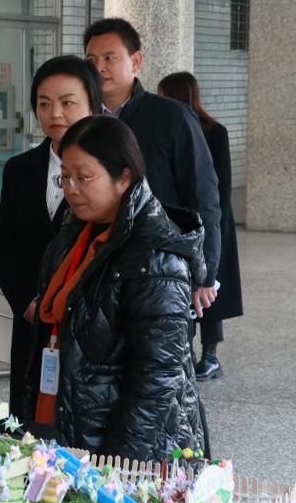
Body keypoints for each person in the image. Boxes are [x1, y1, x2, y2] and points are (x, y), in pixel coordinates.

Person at [27, 116, 206, 460]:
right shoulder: (76, 230)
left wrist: (114, 466)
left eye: (84, 177)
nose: (71, 189)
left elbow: (156, 380)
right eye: (64, 176)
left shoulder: (154, 255)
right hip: (70, 419)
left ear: (123, 177)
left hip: (122, 448)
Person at [84, 18, 221, 320]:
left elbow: (203, 196)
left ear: (135, 61)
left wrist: (205, 273)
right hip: (96, 265)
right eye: (91, 60)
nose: (99, 67)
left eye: (109, 58)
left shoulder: (172, 117)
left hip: (160, 268)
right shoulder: (84, 120)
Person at [0, 56, 102, 421]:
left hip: (89, 329)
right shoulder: (20, 169)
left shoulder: (112, 173)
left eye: (68, 102)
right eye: (44, 103)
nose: (55, 113)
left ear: (92, 105)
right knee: (27, 421)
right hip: (32, 322)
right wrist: (28, 302)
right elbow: (3, 247)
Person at [158, 71, 243, 380]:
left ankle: (210, 355)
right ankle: (187, 353)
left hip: (213, 221)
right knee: (184, 288)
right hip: (181, 221)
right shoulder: (167, 130)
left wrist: (214, 228)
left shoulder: (214, 131)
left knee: (210, 287)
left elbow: (221, 185)